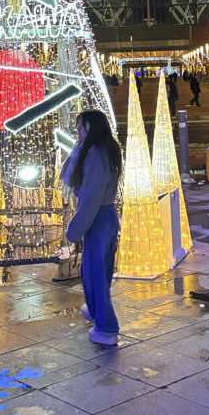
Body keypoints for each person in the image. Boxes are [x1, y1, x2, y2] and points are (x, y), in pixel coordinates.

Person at [59, 109, 123, 346]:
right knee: (99, 271)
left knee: (94, 274)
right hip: (105, 216)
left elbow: (92, 195)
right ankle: (96, 311)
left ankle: (106, 328)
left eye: (82, 127)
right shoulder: (103, 148)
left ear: (93, 128)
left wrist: (75, 229)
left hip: (97, 217)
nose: (78, 131)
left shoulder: (95, 153)